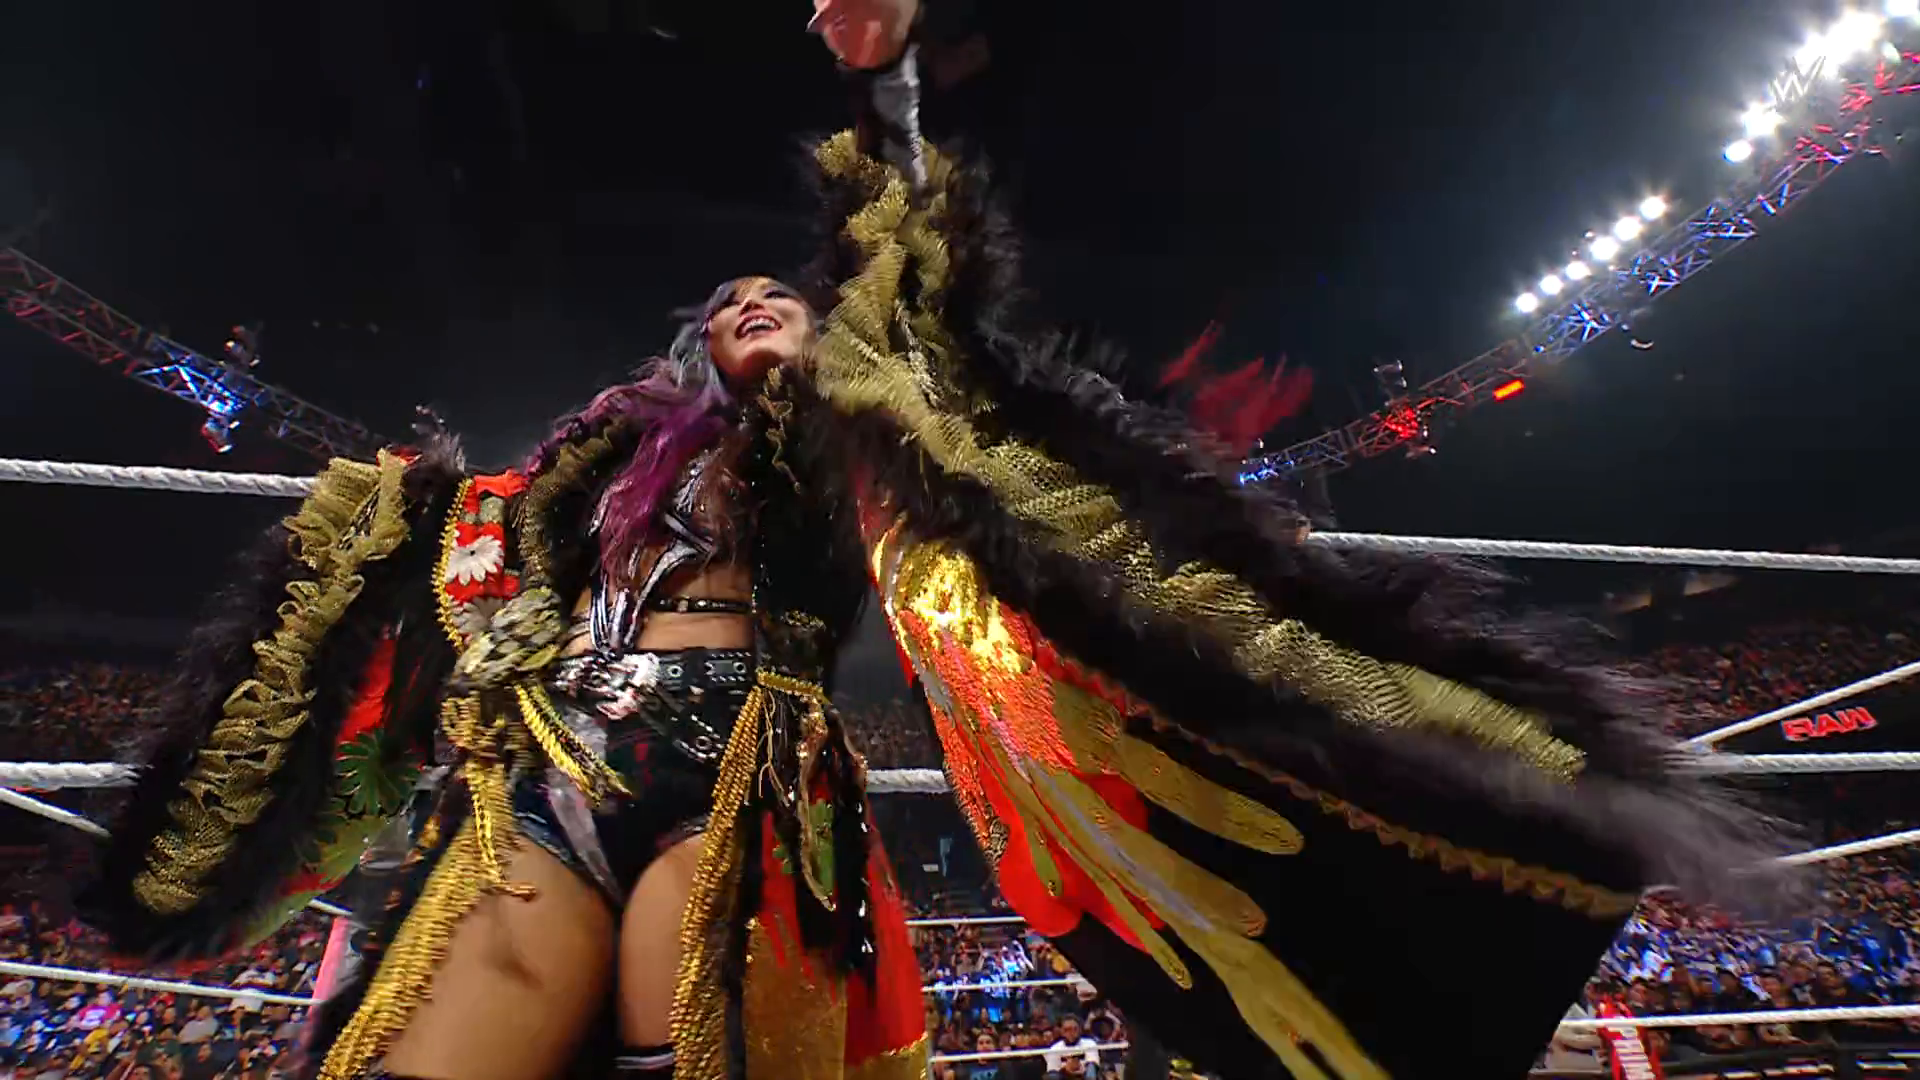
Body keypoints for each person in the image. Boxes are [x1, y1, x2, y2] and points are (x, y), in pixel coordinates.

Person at [79, 2, 1787, 1079]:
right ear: (682, 349)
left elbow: (909, 273)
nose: (760, 302)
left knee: (705, 1041)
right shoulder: (571, 483)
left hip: (746, 766)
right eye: (732, 301)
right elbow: (446, 602)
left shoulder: (862, 442)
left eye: (784, 295)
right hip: (547, 765)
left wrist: (883, 85)